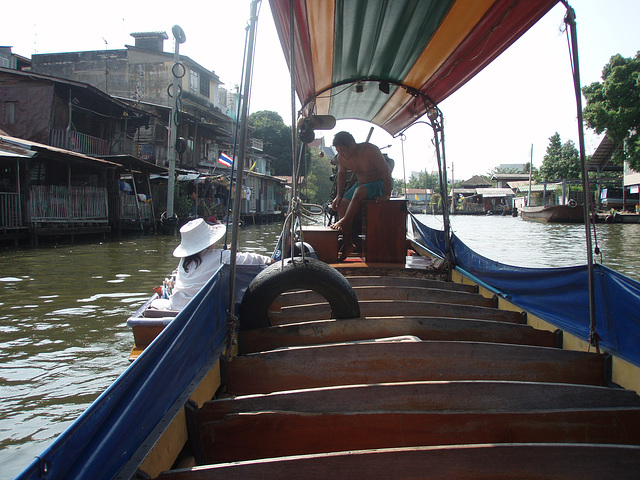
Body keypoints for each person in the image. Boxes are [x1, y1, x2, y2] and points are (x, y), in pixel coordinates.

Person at [150, 218, 273, 311]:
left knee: (155, 303)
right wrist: (272, 261)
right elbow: (252, 259)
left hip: (177, 306)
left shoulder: (183, 261)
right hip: (200, 310)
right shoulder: (221, 256)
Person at [330, 131, 392, 261]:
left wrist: (387, 194)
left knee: (359, 191)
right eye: (338, 151)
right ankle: (348, 244)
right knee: (341, 205)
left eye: (343, 151)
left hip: (379, 184)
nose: (340, 154)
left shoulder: (370, 150)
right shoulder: (341, 157)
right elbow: (341, 174)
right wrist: (339, 196)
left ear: (352, 145)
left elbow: (386, 170)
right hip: (361, 185)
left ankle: (344, 221)